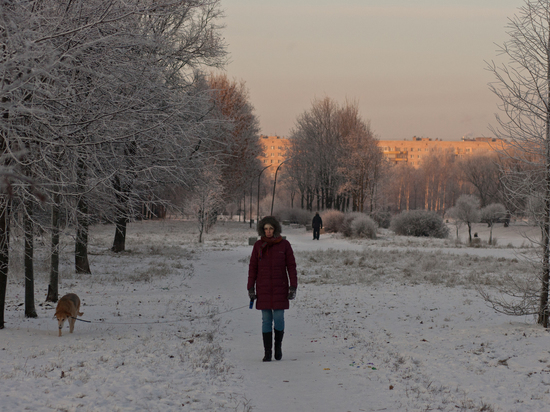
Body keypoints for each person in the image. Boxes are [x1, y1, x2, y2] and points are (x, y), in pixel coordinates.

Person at [248, 216, 297, 362]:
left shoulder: (285, 245)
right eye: (265, 229)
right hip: (263, 288)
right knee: (266, 320)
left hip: (280, 288)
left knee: (279, 318)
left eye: (270, 228)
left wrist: (293, 286)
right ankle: (268, 352)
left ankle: (278, 347)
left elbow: (291, 267)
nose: (268, 231)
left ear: (275, 229)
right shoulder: (258, 246)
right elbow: (253, 268)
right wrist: (250, 287)